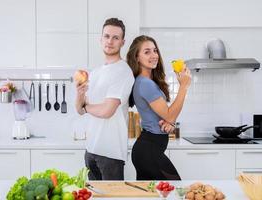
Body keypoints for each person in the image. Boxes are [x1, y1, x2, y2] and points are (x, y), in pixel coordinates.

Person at [75, 18, 134, 180]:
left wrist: (87, 107)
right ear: (100, 39)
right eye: (107, 36)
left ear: (122, 42)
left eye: (116, 37)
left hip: (111, 153)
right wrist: (80, 94)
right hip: (91, 149)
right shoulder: (95, 72)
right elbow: (79, 110)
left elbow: (107, 111)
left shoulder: (123, 71)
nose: (110, 41)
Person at [126, 35, 191, 180]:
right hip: (149, 151)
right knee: (175, 189)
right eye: (147, 52)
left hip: (148, 149)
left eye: (155, 50)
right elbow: (169, 114)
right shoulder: (145, 83)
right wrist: (184, 86)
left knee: (153, 195)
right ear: (137, 57)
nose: (154, 55)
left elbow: (166, 117)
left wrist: (170, 123)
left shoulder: (147, 82)